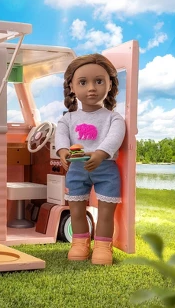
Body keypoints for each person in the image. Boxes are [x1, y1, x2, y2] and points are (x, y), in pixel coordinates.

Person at [55, 53, 125, 265]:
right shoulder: (68, 118)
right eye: (83, 82)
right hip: (77, 168)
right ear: (72, 87)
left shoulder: (113, 117)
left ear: (110, 84)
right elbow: (60, 136)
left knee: (106, 212)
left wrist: (101, 153)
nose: (92, 88)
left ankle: (103, 246)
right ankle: (80, 243)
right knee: (76, 210)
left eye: (99, 81)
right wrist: (63, 152)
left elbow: (115, 137)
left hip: (106, 169)